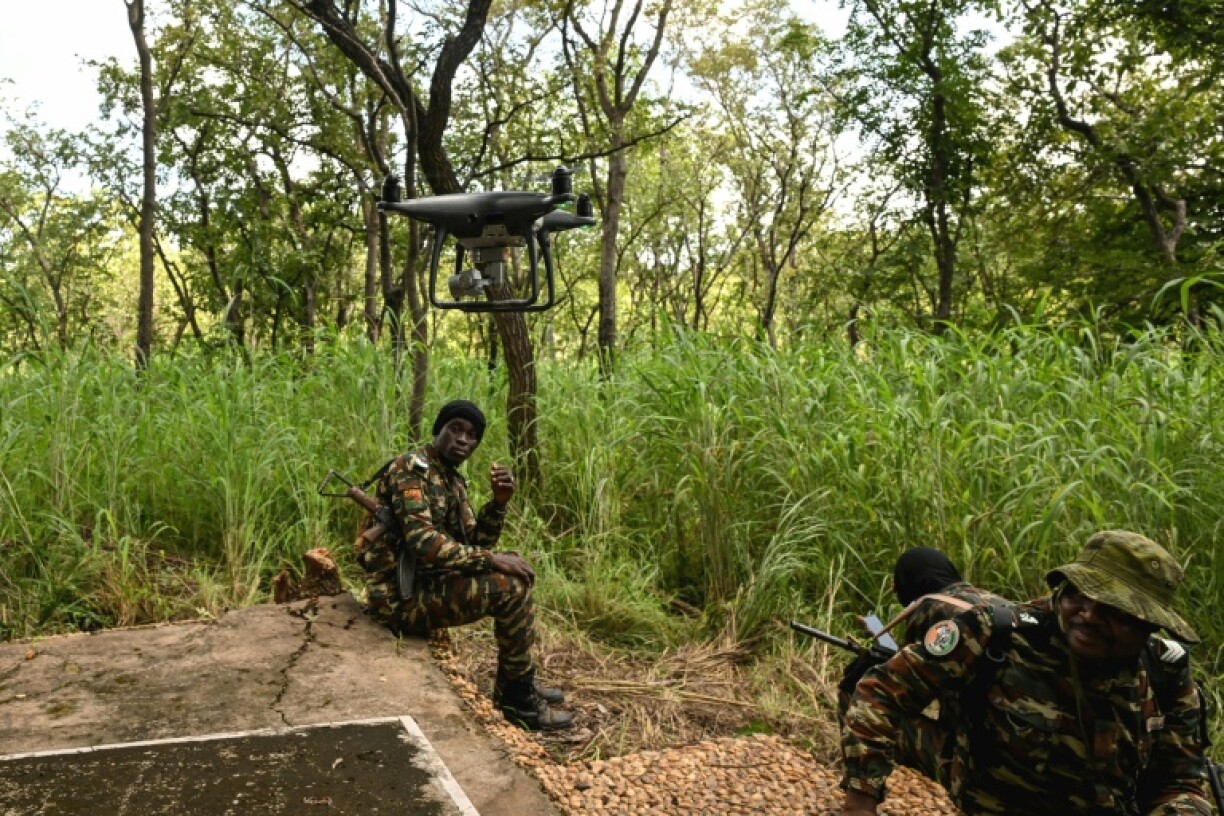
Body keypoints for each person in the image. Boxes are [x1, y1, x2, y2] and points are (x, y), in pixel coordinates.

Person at [840, 530, 1211, 815]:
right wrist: (861, 800)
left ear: (1148, 625)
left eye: (1113, 612)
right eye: (1078, 596)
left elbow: (1179, 779)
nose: (1088, 616)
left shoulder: (1166, 675)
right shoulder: (996, 633)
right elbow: (882, 693)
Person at [358, 399, 574, 731]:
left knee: (512, 571)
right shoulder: (410, 469)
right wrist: (491, 560)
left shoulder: (453, 481)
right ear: (438, 430)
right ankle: (518, 703)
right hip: (397, 600)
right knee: (510, 587)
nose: (463, 439)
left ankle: (515, 684)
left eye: (472, 435)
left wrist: (498, 505)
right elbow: (422, 541)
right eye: (455, 429)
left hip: (425, 586)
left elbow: (474, 544)